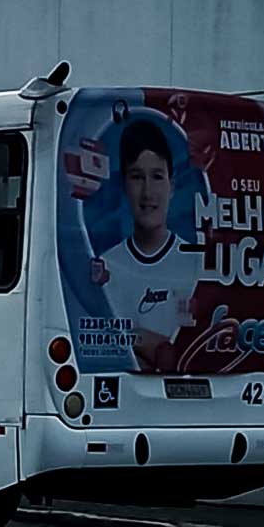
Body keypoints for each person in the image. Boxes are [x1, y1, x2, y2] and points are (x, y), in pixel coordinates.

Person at [91, 118, 204, 373]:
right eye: (137, 177)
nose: (147, 192)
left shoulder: (197, 263)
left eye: (157, 176)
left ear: (171, 186)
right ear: (124, 186)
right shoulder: (105, 268)